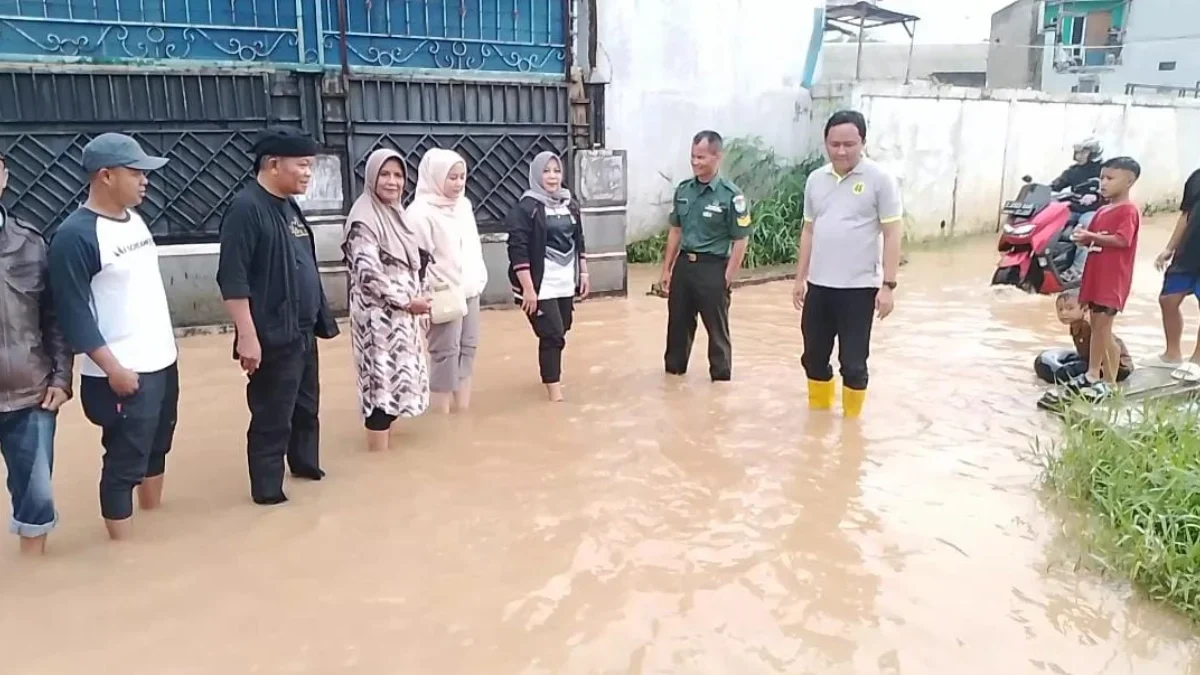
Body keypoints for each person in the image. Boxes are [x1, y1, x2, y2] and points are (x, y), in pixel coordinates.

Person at [46, 133, 178, 540]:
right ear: (105, 175)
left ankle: (152, 523)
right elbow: (72, 314)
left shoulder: (133, 218)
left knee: (157, 447)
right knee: (124, 463)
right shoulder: (76, 235)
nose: (145, 181)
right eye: (136, 172)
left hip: (162, 362)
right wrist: (114, 369)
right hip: (121, 374)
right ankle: (123, 552)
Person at [216, 127, 339, 505]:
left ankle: (305, 466)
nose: (308, 174)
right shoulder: (246, 209)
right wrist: (247, 337)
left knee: (306, 405)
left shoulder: (288, 204)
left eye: (310, 166)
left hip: (302, 328)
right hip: (271, 334)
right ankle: (268, 493)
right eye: (302, 165)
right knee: (273, 414)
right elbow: (232, 279)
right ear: (273, 164)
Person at [793, 110, 903, 419]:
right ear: (825, 143)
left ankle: (852, 429)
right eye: (834, 144)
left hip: (859, 289)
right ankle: (819, 418)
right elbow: (809, 230)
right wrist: (799, 278)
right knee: (813, 357)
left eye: (849, 144)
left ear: (863, 143)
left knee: (853, 364)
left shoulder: (880, 180)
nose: (841, 151)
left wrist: (888, 285)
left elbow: (892, 231)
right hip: (819, 286)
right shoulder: (816, 180)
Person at [0, 151, 73, 555]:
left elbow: (55, 317)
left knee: (36, 497)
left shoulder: (30, 242)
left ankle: (35, 575)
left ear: (5, 177)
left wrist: (62, 378)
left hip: (30, 392)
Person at [342, 149, 432, 452]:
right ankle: (378, 457)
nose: (392, 182)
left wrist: (417, 303)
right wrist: (408, 302)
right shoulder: (363, 220)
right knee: (380, 391)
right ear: (371, 177)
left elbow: (413, 264)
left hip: (403, 318)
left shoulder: (397, 214)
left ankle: (386, 460)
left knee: (397, 388)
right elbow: (368, 275)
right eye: (385, 174)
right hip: (377, 322)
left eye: (398, 175)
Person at [659, 130, 752, 382]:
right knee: (677, 327)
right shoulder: (684, 190)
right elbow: (676, 230)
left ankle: (720, 383)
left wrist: (727, 277)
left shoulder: (731, 196)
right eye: (692, 157)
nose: (695, 162)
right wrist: (666, 269)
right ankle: (674, 378)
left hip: (713, 268)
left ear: (717, 157)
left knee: (717, 332)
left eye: (701, 157)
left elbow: (741, 239)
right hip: (684, 267)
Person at [406, 148, 487, 414]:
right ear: (435, 177)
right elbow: (414, 263)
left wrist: (478, 279)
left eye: (462, 176)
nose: (458, 183)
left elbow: (472, 246)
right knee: (444, 355)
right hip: (439, 293)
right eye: (451, 177)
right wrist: (420, 303)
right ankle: (441, 417)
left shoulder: (464, 206)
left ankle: (461, 412)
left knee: (468, 348)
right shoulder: (419, 213)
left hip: (469, 288)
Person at [505, 151, 590, 402]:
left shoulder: (569, 204)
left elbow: (579, 239)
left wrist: (583, 271)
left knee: (562, 328)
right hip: (538, 284)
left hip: (564, 282)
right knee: (552, 333)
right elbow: (517, 250)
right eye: (546, 171)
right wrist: (529, 289)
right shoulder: (526, 208)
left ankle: (549, 372)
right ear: (536, 174)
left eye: (556, 171)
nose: (552, 176)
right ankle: (554, 391)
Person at [1068, 156, 1142, 400]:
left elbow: (1123, 240)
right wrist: (1086, 238)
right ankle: (1093, 375)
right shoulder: (1101, 211)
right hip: (1096, 277)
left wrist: (1092, 236)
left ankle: (1107, 381)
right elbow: (1097, 238)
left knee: (1104, 329)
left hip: (1113, 280)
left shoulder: (1128, 210)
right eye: (1102, 177)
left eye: (1110, 178)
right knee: (1096, 326)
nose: (1103, 183)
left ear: (1129, 181)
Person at [1148, 168, 1200, 369]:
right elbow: (1185, 215)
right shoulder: (1196, 177)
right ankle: (1172, 354)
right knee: (1168, 299)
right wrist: (1169, 248)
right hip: (1187, 252)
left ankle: (1196, 361)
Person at [1034, 289, 1133, 385]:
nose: (1063, 313)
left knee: (1070, 370)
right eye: (1060, 309)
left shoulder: (1089, 326)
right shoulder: (1074, 325)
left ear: (1085, 309)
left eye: (1070, 308)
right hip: (1092, 360)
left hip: (1119, 366)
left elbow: (1111, 347)